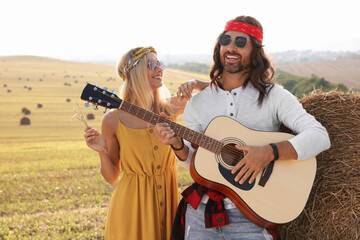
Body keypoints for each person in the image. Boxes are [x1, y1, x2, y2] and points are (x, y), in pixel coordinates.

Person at [154, 16, 331, 240]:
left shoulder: (274, 96)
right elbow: (195, 164)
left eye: (240, 42)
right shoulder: (198, 102)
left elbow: (319, 136)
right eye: (226, 40)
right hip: (201, 216)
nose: (231, 47)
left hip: (253, 216)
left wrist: (270, 152)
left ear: (255, 50)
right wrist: (177, 144)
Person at [83, 46, 209, 240]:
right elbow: (111, 178)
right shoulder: (113, 119)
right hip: (131, 210)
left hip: (169, 203)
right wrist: (101, 151)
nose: (160, 69)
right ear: (133, 73)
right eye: (151, 64)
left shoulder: (170, 107)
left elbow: (221, 92)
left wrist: (195, 82)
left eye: (160, 64)